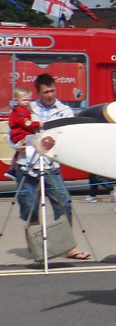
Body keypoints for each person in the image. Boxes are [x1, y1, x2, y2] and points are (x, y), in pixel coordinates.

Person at [16, 74, 89, 259]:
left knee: (63, 203)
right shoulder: (26, 108)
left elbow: (68, 138)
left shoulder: (64, 110)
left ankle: (68, 247)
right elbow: (12, 135)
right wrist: (20, 143)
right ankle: (37, 248)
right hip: (28, 164)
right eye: (45, 92)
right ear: (38, 93)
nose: (49, 95)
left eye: (52, 91)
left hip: (51, 165)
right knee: (30, 207)